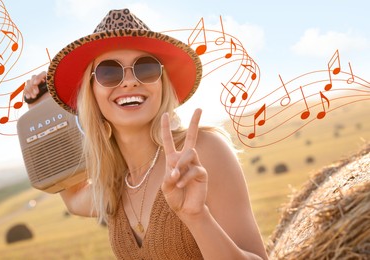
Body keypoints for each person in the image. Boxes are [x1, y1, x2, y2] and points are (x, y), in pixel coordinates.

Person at [24, 8, 268, 260]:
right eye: (109, 72)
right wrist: (41, 114)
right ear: (91, 93)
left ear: (162, 83)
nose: (129, 81)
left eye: (146, 68)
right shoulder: (114, 185)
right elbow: (74, 200)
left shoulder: (201, 152)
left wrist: (197, 217)